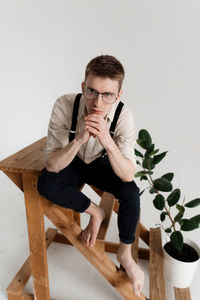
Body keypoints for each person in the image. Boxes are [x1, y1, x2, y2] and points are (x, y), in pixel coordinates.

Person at [37, 55, 144, 296]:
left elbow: (127, 174)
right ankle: (95, 211)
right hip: (72, 161)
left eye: (107, 95)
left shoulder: (124, 116)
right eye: (92, 91)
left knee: (131, 192)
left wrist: (107, 139)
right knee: (45, 182)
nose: (98, 102)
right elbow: (52, 164)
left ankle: (125, 254)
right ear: (83, 87)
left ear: (118, 95)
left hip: (102, 164)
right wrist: (78, 139)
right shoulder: (65, 105)